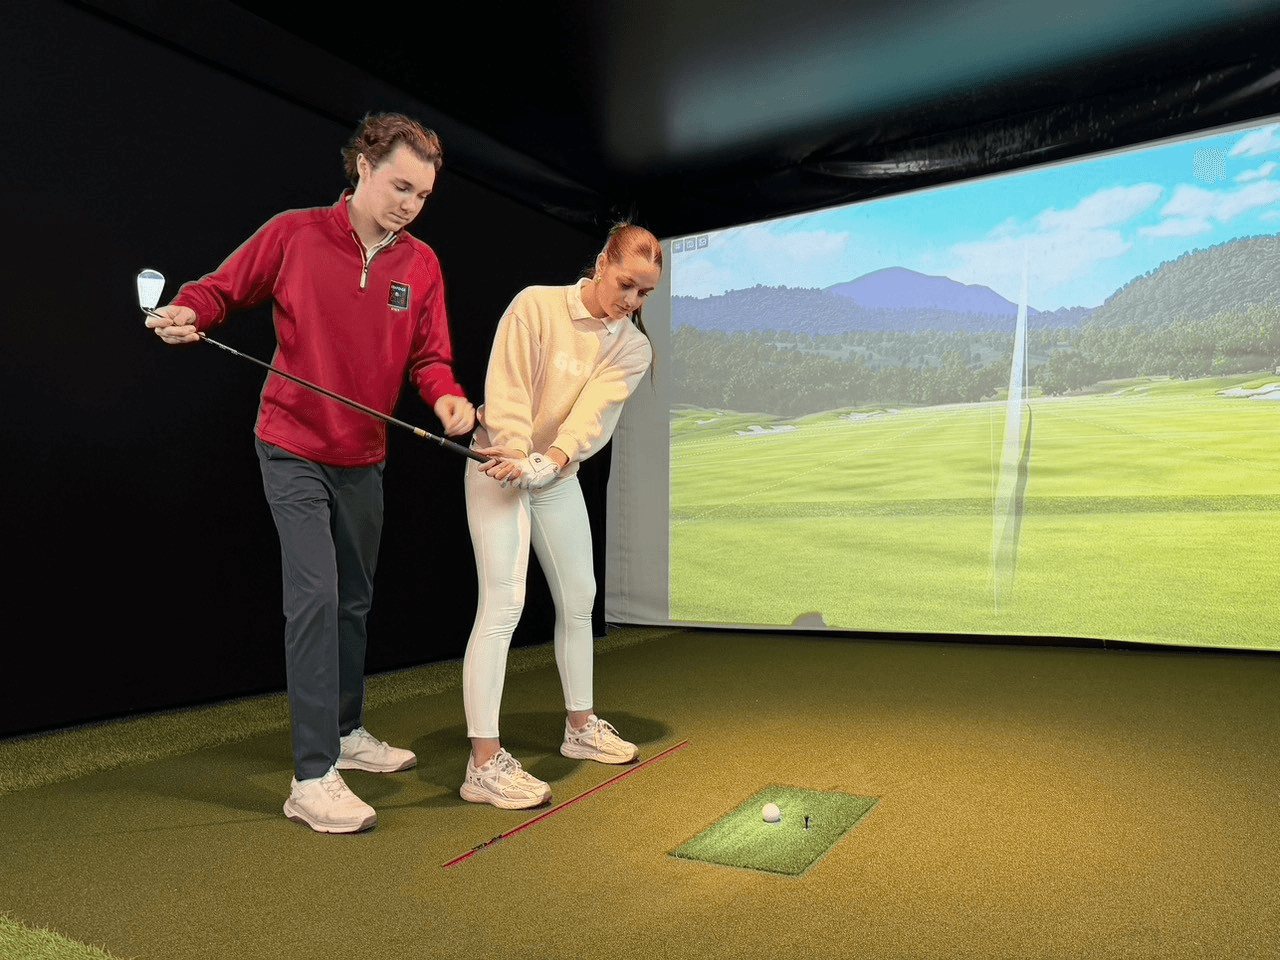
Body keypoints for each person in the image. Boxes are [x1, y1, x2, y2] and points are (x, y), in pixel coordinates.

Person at [145, 113, 475, 833]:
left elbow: (430, 357)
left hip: (363, 456)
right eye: (398, 186)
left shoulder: (420, 265)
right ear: (363, 165)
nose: (408, 205)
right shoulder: (295, 233)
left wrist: (447, 396)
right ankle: (311, 776)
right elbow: (219, 290)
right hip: (291, 444)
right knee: (317, 597)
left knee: (355, 601)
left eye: (421, 195)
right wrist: (185, 312)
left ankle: (348, 734)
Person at [459, 223, 662, 809]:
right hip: (497, 465)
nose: (632, 301)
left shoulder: (633, 345)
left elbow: (591, 418)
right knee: (503, 603)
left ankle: (580, 727)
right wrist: (518, 453)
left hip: (554, 474)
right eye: (626, 284)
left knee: (579, 594)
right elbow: (509, 392)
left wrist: (547, 462)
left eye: (644, 294)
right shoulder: (536, 306)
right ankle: (484, 763)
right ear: (601, 264)